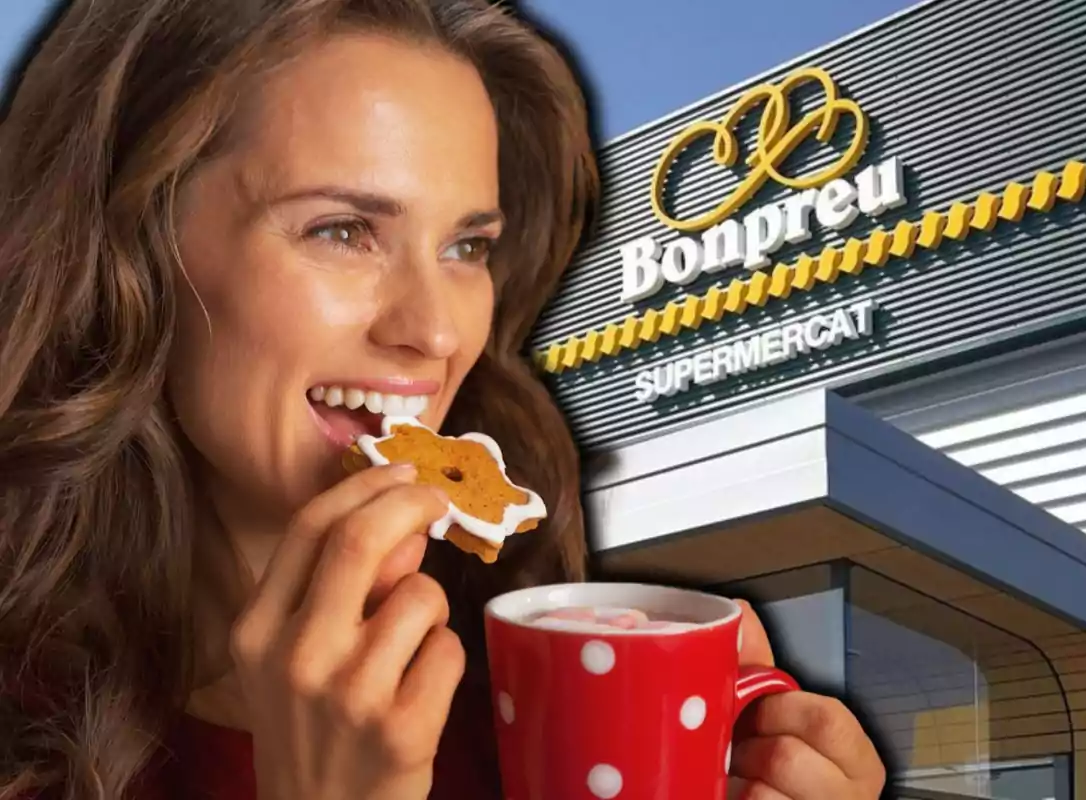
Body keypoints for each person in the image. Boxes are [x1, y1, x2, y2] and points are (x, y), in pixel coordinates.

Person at [0, 1, 888, 798]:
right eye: (342, 231)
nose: (434, 333)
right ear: (126, 255)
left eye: (467, 248)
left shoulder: (538, 698)